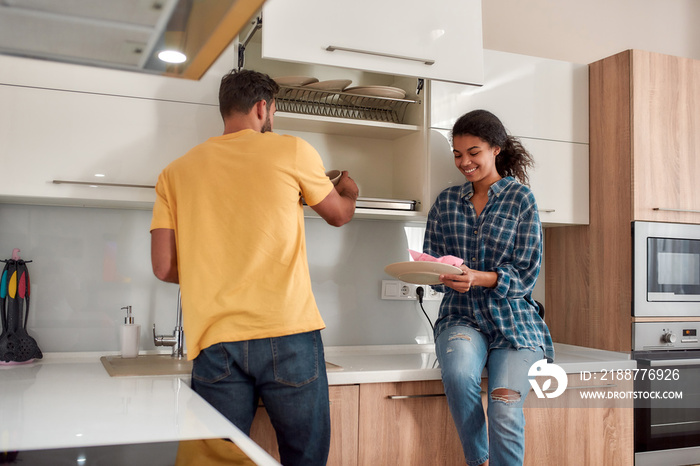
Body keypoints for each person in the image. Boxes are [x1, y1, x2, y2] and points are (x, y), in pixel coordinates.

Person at [150, 69, 359, 466]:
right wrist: (349, 189)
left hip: (215, 342)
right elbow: (339, 215)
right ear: (263, 107)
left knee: (216, 461)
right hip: (288, 334)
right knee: (305, 458)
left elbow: (163, 267)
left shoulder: (174, 173)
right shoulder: (291, 150)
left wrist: (214, 267)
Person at [423, 109, 554, 466]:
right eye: (457, 154)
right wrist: (439, 275)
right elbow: (433, 264)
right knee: (458, 373)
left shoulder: (521, 199)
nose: (464, 162)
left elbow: (527, 273)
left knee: (504, 405)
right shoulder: (446, 203)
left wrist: (477, 277)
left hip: (514, 324)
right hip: (461, 319)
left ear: (496, 149)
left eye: (473, 152)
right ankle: (479, 461)